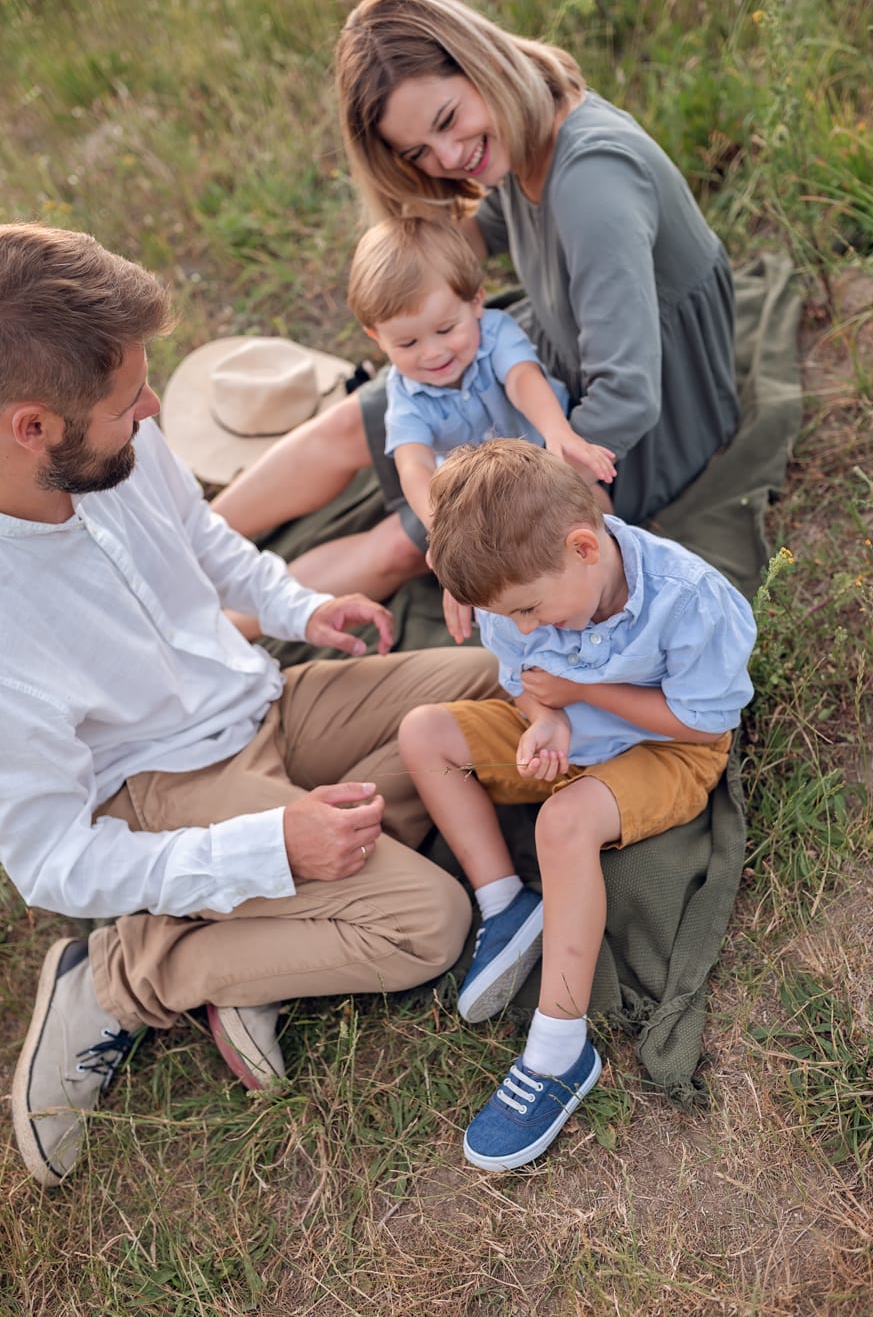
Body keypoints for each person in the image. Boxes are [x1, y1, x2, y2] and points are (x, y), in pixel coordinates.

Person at [0, 222, 500, 1188]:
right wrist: (269, 848)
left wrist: (301, 607)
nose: (152, 408)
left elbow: (205, 540)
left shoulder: (114, 444)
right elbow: (52, 862)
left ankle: (261, 938)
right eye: (127, 401)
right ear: (33, 428)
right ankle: (125, 974)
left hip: (261, 697)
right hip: (163, 785)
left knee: (486, 685)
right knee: (428, 924)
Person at [210, 0, 739, 615]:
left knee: (406, 542)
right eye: (418, 152)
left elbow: (629, 394)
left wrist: (489, 508)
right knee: (364, 415)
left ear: (481, 63)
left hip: (627, 422)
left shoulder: (592, 181)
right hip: (554, 355)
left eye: (447, 121)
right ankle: (185, 537)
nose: (450, 157)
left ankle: (209, 635)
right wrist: (406, 270)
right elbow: (489, 228)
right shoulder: (522, 135)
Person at [398, 440, 757, 1170]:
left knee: (563, 822)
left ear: (584, 548)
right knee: (425, 732)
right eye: (511, 616)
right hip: (575, 730)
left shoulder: (690, 599)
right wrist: (546, 721)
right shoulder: (522, 597)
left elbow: (703, 725)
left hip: (666, 748)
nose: (525, 628)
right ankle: (505, 905)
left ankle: (560, 1049)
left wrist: (584, 693)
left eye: (529, 609)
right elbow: (527, 681)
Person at [347, 215, 615, 534]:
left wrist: (557, 430)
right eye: (408, 343)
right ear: (377, 337)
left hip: (542, 458)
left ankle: (620, 551)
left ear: (476, 301)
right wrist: (439, 528)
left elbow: (522, 378)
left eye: (446, 330)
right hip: (481, 494)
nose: (432, 353)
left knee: (592, 502)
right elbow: (413, 463)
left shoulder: (493, 333)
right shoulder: (405, 392)